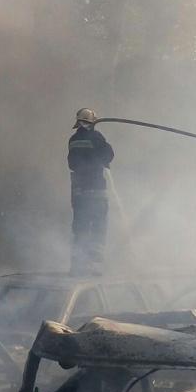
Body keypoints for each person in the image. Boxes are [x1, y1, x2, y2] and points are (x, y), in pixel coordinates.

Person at [68, 108, 114, 275]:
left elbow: (72, 164)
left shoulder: (72, 139)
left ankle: (77, 265)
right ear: (92, 122)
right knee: (98, 227)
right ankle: (93, 265)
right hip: (96, 192)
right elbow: (108, 155)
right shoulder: (96, 137)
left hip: (79, 193)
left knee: (79, 228)